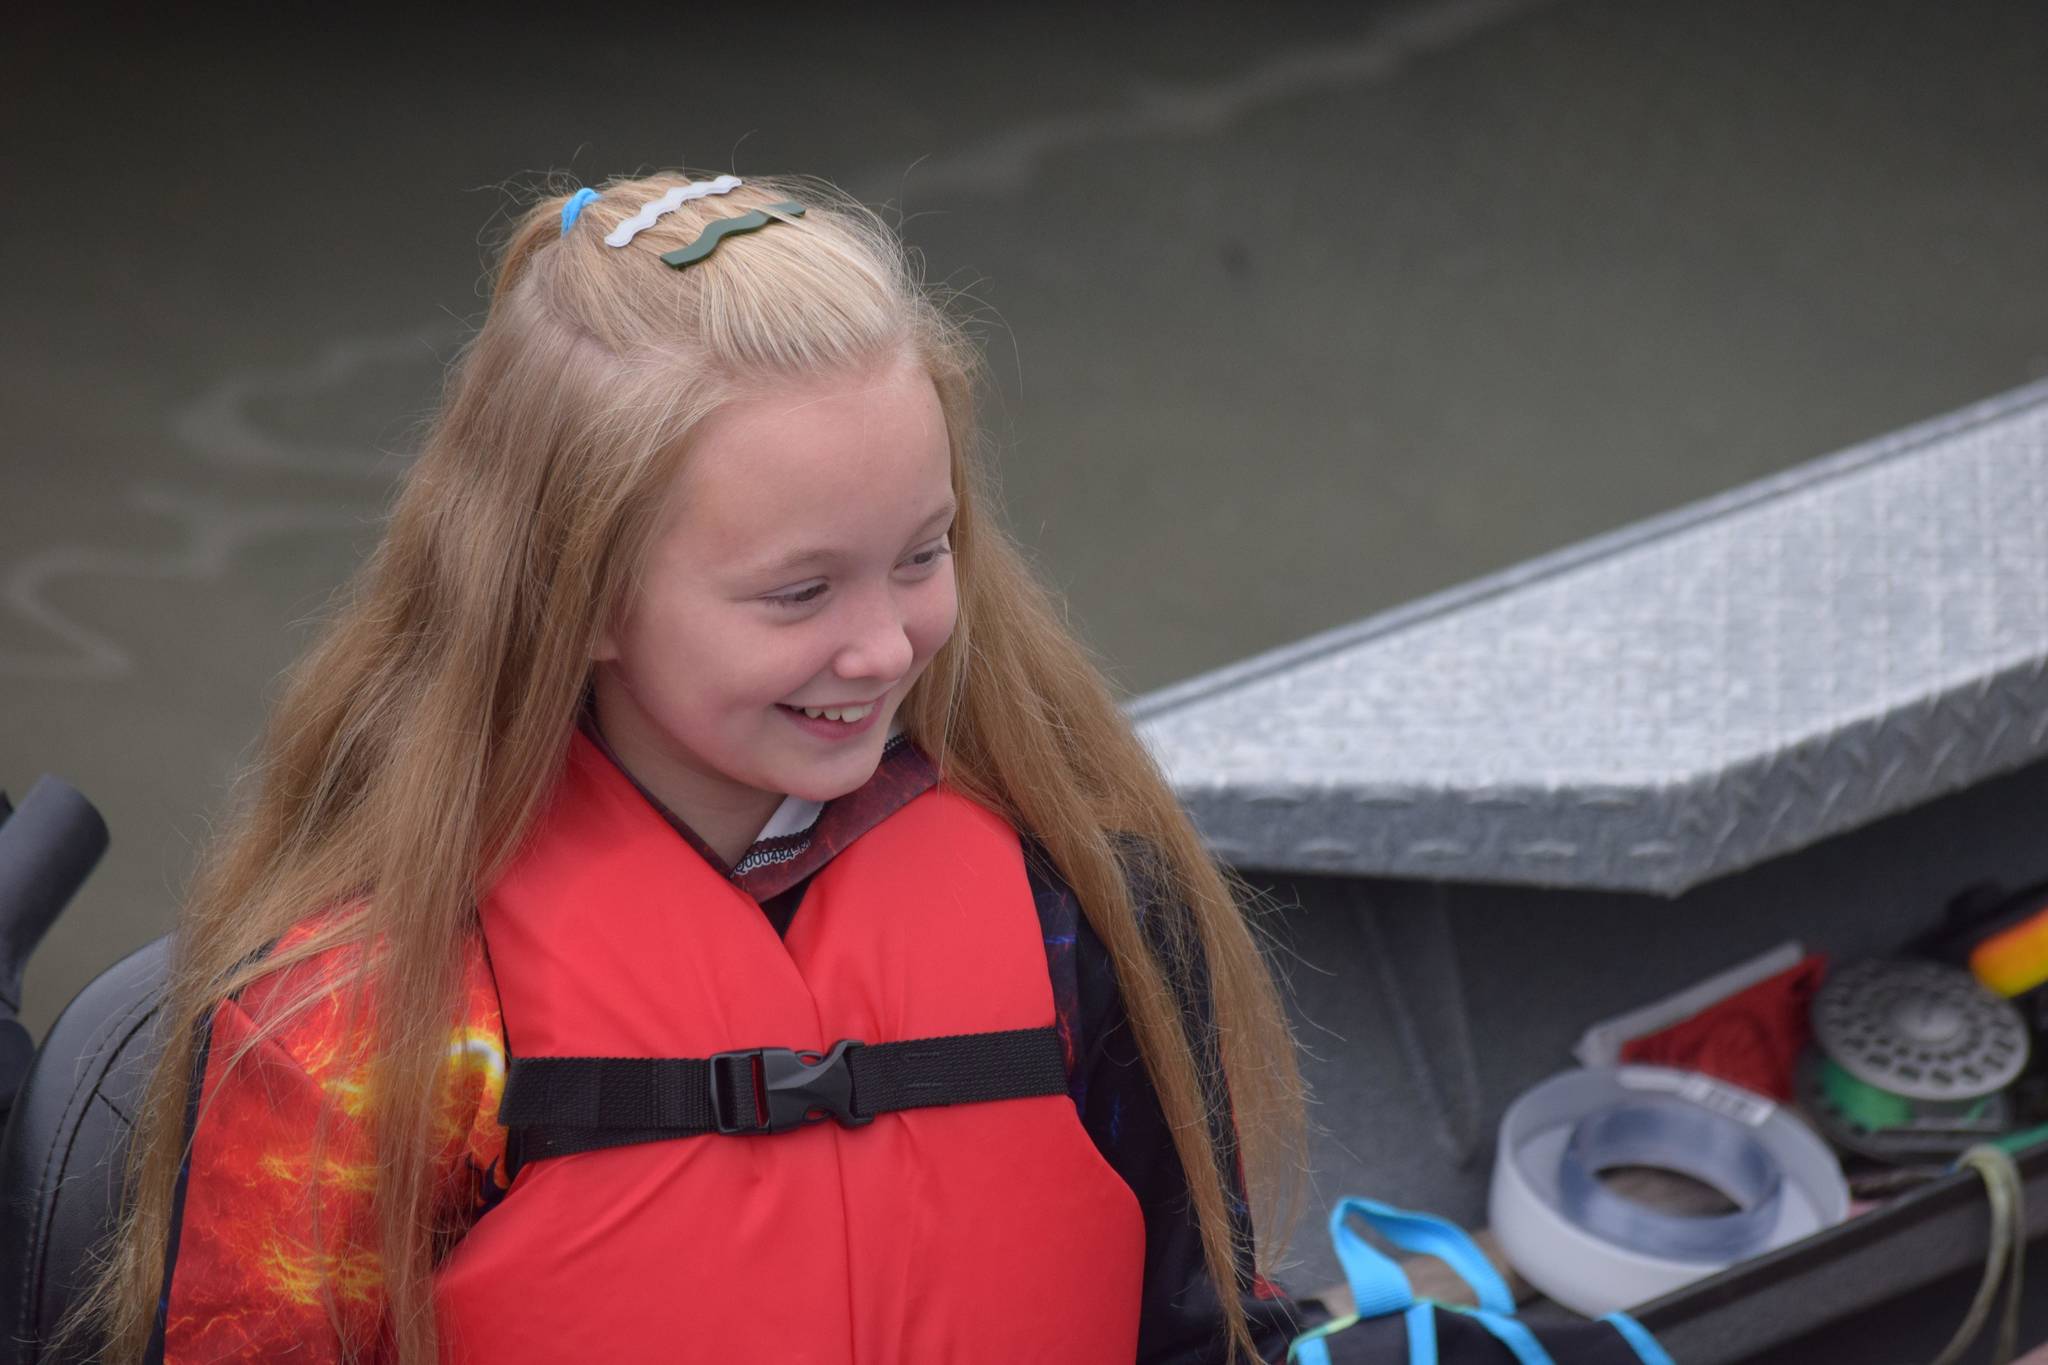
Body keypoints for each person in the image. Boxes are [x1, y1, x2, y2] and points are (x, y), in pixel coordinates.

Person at [79, 170, 1310, 1365]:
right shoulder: (368, 1026)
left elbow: (1198, 1325)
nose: (884, 647)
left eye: (923, 554)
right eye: (799, 591)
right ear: (581, 598)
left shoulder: (1084, 911)